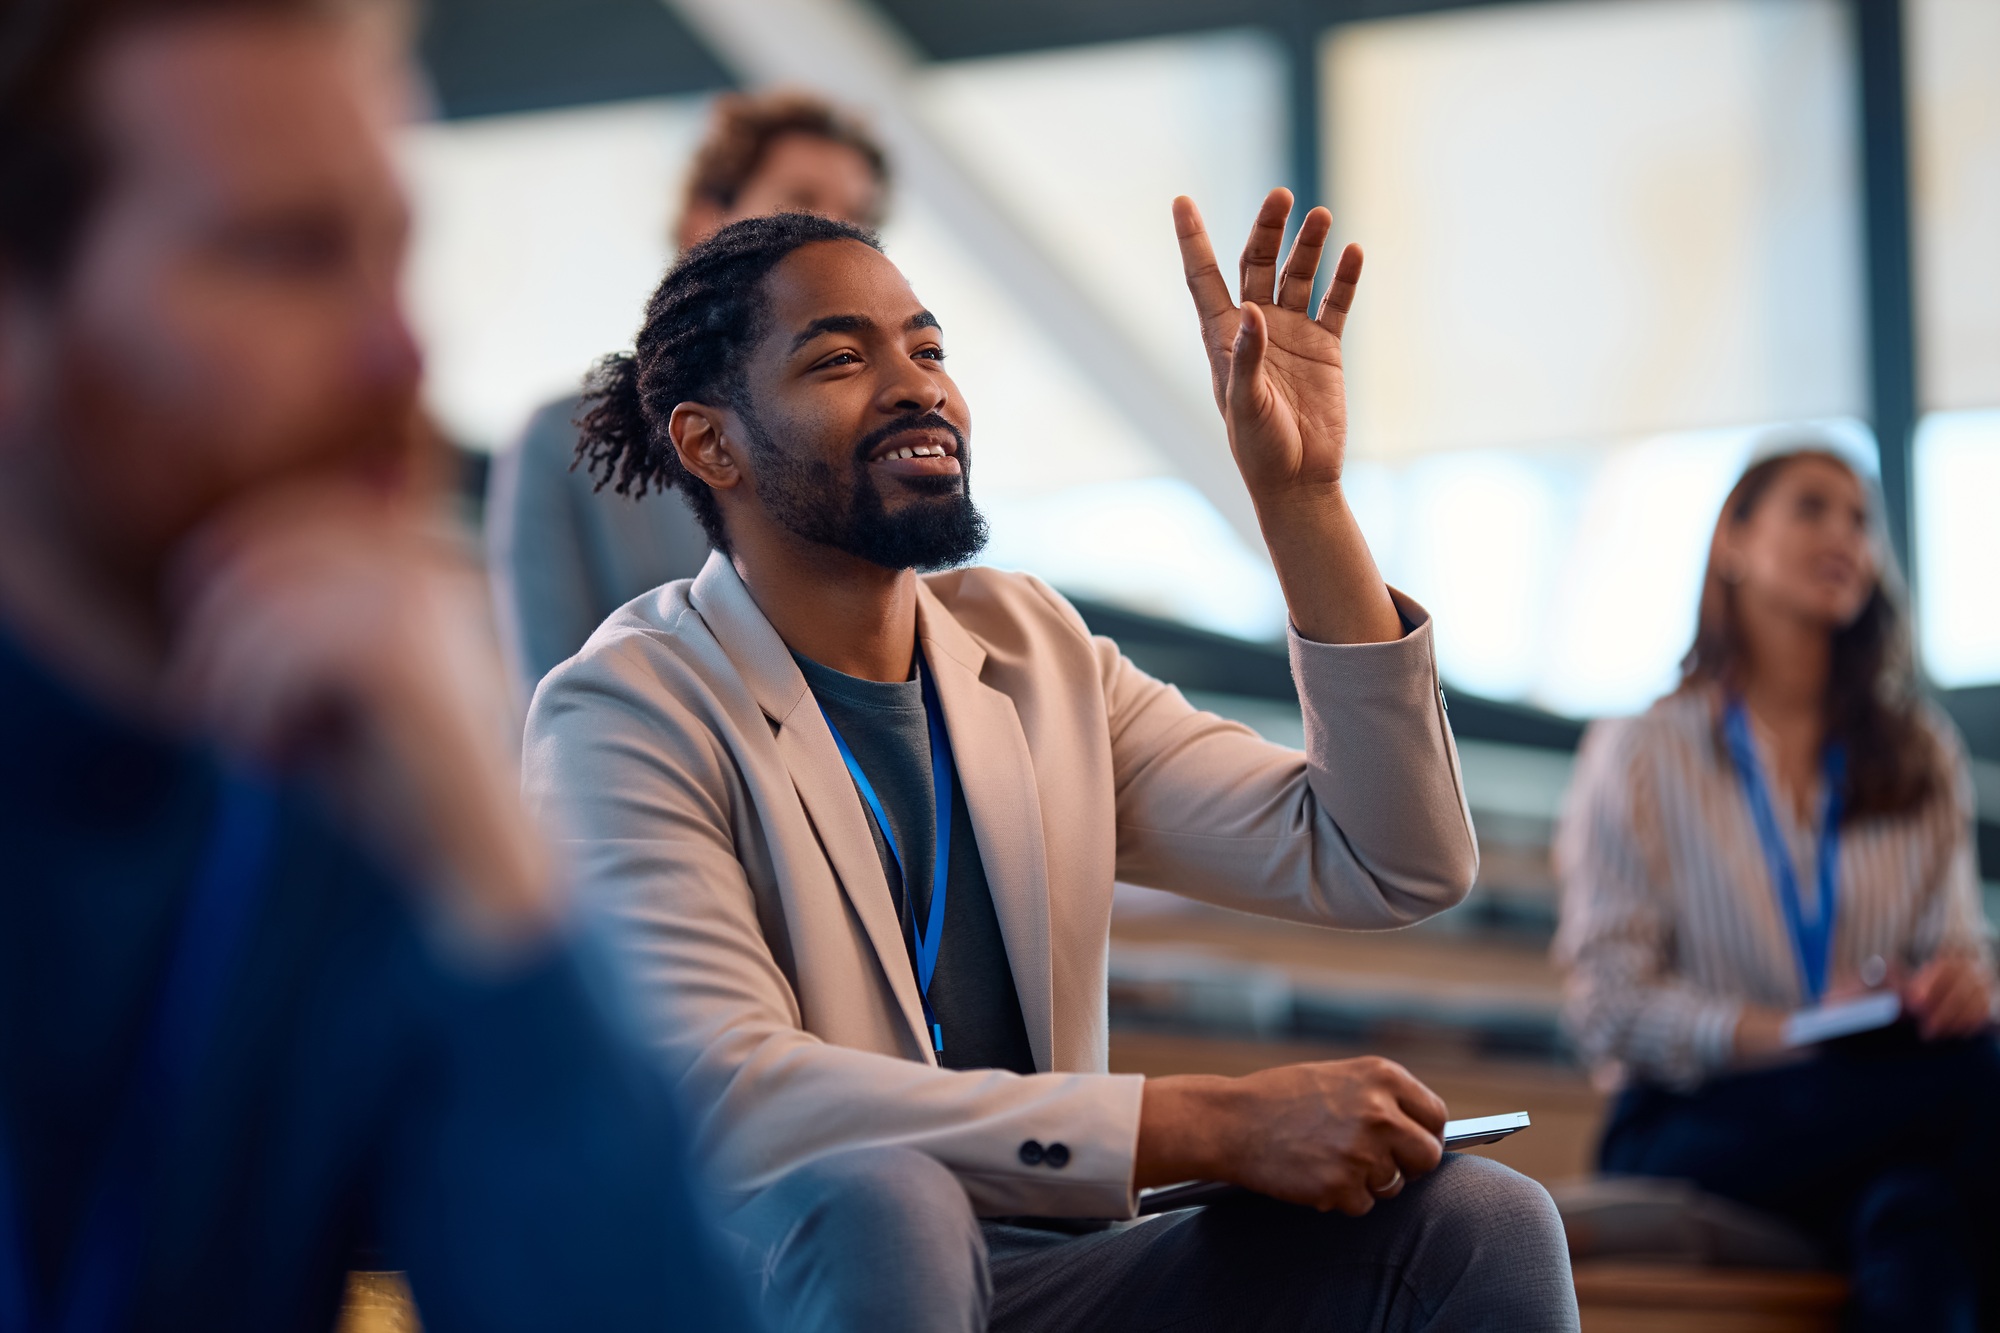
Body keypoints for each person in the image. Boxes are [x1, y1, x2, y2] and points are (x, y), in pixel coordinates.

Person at [522, 194, 1579, 1331]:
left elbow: (1387, 857)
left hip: (1054, 1273)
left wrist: (1303, 501)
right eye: (839, 358)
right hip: (767, 1281)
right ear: (708, 441)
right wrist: (1200, 1123)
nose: (918, 383)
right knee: (890, 1204)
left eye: (928, 348)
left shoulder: (1034, 653)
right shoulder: (622, 707)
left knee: (1478, 1225)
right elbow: (720, 1103)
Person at [0, 0, 756, 1327]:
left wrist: (501, 891)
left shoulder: (347, 781)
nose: (400, 352)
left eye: (392, 253)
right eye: (284, 253)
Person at [1554, 447, 1999, 1329]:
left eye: (1861, 519)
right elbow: (1608, 1008)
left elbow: (1957, 954)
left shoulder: (1922, 757)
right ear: (1734, 539)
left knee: (1913, 1222)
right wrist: (1788, 1033)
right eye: (1812, 508)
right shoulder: (1640, 752)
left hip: (1889, 1113)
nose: (1845, 533)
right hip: (1698, 1118)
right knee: (1977, 1084)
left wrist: (1961, 987)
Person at [487, 90, 889, 700]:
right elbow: (550, 701)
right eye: (802, 200)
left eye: (861, 216)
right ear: (705, 225)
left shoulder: (880, 436)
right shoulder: (560, 443)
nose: (838, 235)